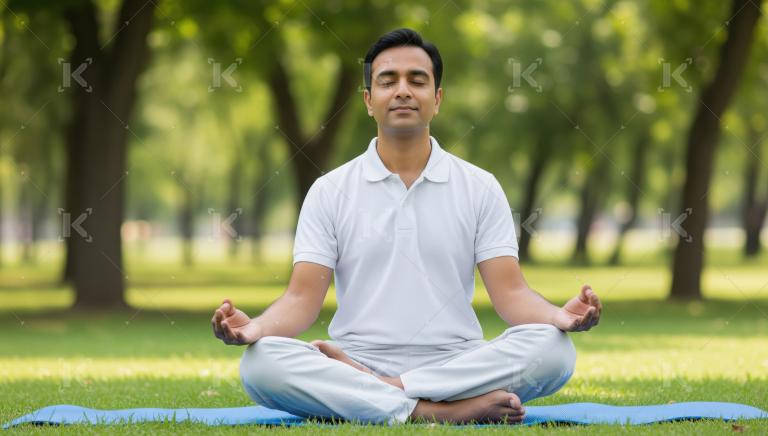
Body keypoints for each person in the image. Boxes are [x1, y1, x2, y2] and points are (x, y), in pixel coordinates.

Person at [211, 28, 602, 425]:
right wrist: (255, 327)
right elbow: (301, 300)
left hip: (456, 360)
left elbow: (511, 293)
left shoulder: (479, 187)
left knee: (554, 350)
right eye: (387, 81)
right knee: (260, 364)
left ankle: (385, 390)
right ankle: (433, 411)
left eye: (417, 80)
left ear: (437, 100)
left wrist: (557, 317)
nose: (402, 91)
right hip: (357, 355)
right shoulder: (329, 190)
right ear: (368, 101)